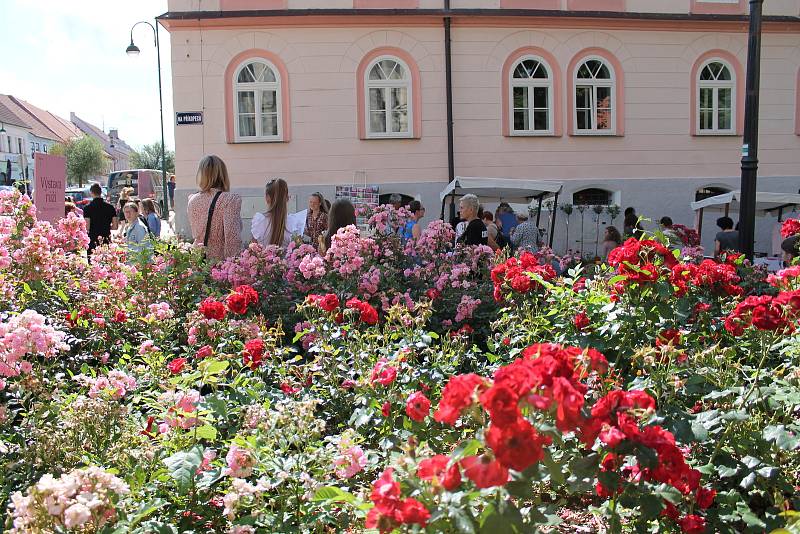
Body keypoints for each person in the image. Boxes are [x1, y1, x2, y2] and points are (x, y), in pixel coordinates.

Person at [187, 155, 242, 261]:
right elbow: (232, 240)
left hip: (198, 262)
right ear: (223, 174)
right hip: (218, 266)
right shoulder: (229, 200)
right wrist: (235, 267)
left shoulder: (192, 200)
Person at [252, 178, 291, 248]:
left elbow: (253, 248)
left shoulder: (259, 220)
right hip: (288, 259)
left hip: (263, 258)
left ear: (267, 198)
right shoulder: (294, 221)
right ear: (287, 198)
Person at [82, 182, 118, 254]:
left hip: (93, 239)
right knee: (106, 262)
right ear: (101, 192)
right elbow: (115, 226)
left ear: (91, 193)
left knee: (92, 262)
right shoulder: (110, 207)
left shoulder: (87, 208)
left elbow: (87, 227)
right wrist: (106, 226)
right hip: (106, 237)